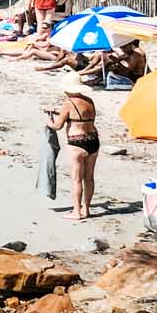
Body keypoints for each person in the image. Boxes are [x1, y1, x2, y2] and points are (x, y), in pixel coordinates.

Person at [46, 87, 99, 221]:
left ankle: (76, 211)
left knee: (76, 180)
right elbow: (81, 116)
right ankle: (86, 209)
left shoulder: (68, 103)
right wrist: (58, 111)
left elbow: (57, 126)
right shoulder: (89, 101)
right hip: (93, 140)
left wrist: (48, 121)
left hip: (77, 142)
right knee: (89, 178)